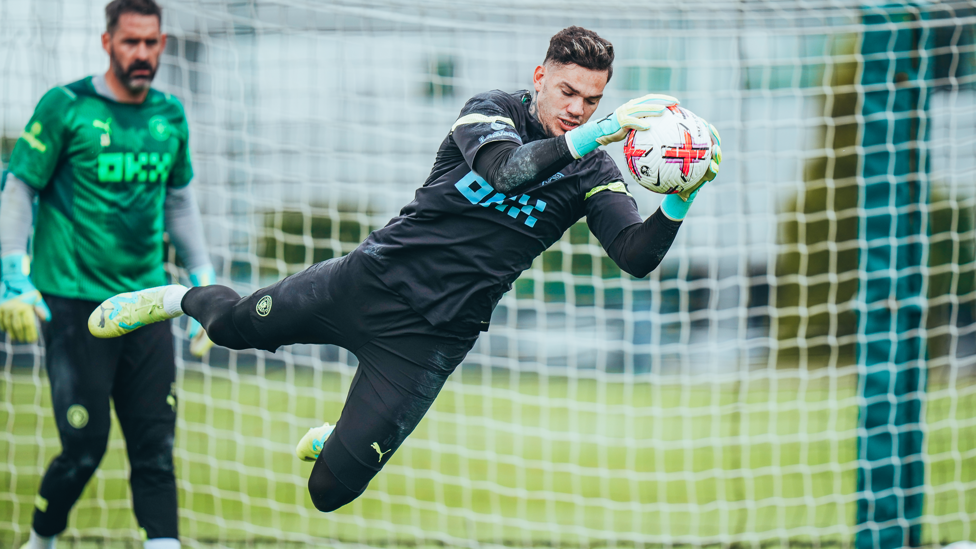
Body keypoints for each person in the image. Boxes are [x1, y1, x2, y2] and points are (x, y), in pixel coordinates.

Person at [88, 26, 721, 514]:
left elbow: (636, 256)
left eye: (593, 100)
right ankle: (176, 297)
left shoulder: (593, 171)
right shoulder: (490, 110)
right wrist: (597, 134)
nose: (580, 110)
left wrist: (681, 194)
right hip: (365, 283)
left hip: (431, 340)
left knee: (328, 491)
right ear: (540, 77)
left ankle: (341, 436)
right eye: (568, 92)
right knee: (226, 325)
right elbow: (507, 171)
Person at [0, 1, 215, 547]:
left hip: (147, 301)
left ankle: (162, 542)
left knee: (155, 445)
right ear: (107, 43)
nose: (141, 53)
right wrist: (12, 274)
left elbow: (181, 205)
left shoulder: (170, 115)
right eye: (130, 42)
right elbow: (20, 186)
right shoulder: (65, 106)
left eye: (150, 43)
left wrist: (204, 278)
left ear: (162, 44)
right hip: (72, 302)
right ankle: (42, 539)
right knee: (85, 445)